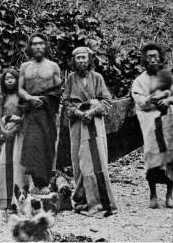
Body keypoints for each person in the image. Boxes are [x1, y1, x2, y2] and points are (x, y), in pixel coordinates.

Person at [63, 47, 117, 217]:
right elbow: (65, 103)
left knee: (96, 161)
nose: (80, 60)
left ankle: (99, 201)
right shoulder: (70, 79)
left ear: (89, 59)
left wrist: (92, 111)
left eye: (83, 57)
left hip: (94, 124)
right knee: (79, 161)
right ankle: (82, 200)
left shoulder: (97, 78)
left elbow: (108, 102)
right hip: (78, 125)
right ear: (74, 60)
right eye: (77, 58)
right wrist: (79, 113)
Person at [131, 43, 173, 209]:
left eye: (155, 56)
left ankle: (169, 194)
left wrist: (167, 100)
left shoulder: (167, 77)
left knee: (170, 158)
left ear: (160, 58)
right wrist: (151, 100)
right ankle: (153, 194)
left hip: (167, 121)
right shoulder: (139, 81)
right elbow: (139, 101)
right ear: (144, 60)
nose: (152, 59)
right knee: (152, 157)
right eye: (149, 57)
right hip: (151, 123)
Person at [18, 33, 61, 194]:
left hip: (47, 111)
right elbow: (20, 89)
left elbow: (57, 90)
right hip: (31, 111)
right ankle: (36, 183)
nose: (38, 46)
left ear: (46, 46)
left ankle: (45, 183)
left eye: (41, 44)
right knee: (32, 145)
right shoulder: (25, 67)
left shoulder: (53, 66)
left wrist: (46, 100)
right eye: (34, 44)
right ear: (30, 47)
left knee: (47, 145)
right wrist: (30, 98)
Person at [0, 68, 29, 210]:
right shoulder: (2, 96)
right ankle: (4, 200)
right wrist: (3, 130)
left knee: (18, 164)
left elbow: (25, 115)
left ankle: (19, 200)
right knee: (2, 165)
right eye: (6, 79)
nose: (9, 81)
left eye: (12, 78)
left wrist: (16, 126)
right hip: (7, 132)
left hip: (19, 132)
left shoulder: (22, 96)